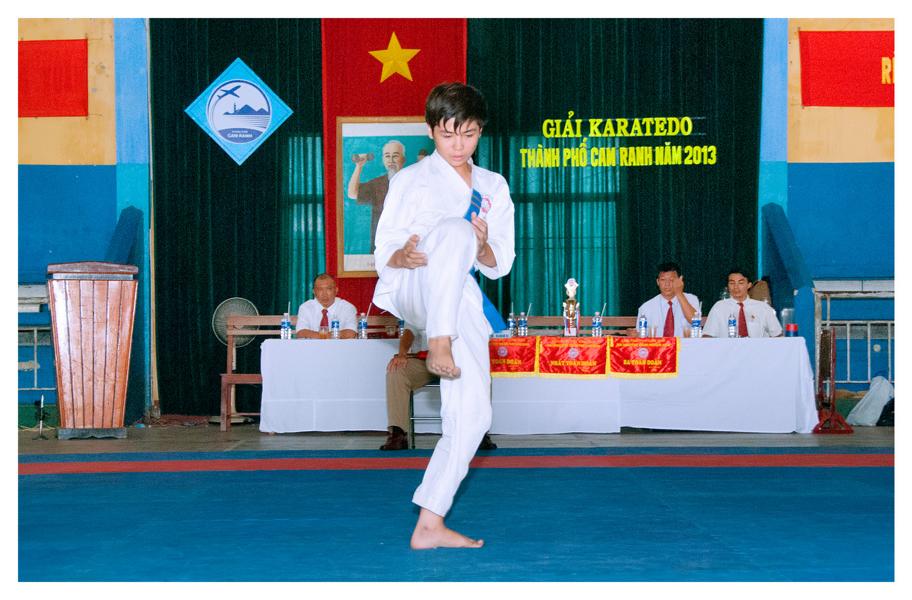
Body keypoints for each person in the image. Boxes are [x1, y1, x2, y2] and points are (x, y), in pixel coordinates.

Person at [372, 82, 514, 549]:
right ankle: (437, 342)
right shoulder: (410, 180)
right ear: (432, 130)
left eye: (469, 135)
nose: (458, 145)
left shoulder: (493, 186)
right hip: (417, 285)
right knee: (454, 230)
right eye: (449, 135)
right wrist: (402, 256)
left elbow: (501, 263)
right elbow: (384, 249)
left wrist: (483, 244)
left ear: (480, 132)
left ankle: (430, 522)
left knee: (474, 415)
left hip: (461, 296)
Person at [382, 324, 497, 452]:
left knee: (480, 373)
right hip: (424, 360)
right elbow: (409, 331)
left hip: (460, 360)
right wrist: (402, 354)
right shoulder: (419, 310)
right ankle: (398, 434)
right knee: (396, 371)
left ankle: (479, 433)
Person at [347, 140, 406, 249]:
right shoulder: (377, 184)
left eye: (395, 156)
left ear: (403, 159)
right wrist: (359, 166)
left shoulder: (412, 181)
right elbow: (352, 193)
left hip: (406, 243)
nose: (391, 160)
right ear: (383, 160)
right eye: (387, 156)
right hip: (380, 244)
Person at [702, 268, 783, 338]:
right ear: (727, 286)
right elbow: (707, 336)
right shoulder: (719, 307)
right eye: (732, 283)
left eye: (740, 283)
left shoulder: (763, 308)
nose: (736, 287)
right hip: (727, 350)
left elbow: (778, 335)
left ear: (749, 285)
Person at [636, 261, 700, 337]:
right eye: (663, 280)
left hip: (685, 344)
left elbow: (695, 322)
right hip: (658, 344)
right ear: (657, 282)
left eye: (671, 280)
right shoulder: (646, 307)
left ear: (680, 280)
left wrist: (679, 294)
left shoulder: (691, 299)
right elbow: (640, 336)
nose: (667, 284)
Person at [294, 273, 357, 339]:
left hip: (340, 345)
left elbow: (351, 333)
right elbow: (301, 332)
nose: (324, 294)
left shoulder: (348, 308)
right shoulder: (305, 307)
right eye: (320, 289)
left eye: (329, 289)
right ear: (314, 292)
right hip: (312, 345)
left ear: (336, 290)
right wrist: (328, 336)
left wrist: (323, 336)